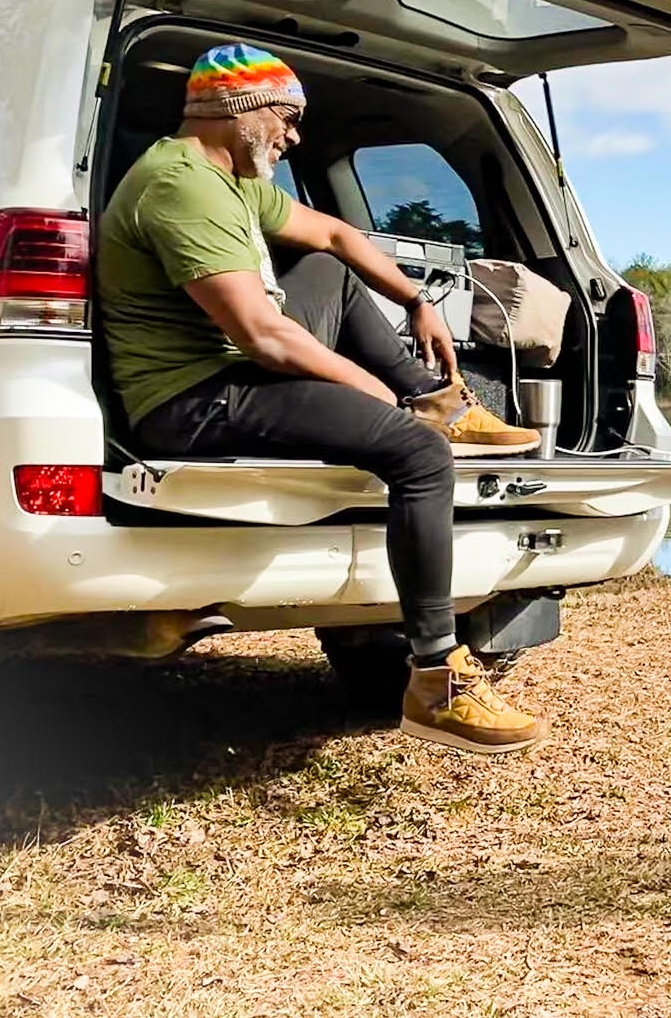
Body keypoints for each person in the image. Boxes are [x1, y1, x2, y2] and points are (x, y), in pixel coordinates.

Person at [97, 42, 545, 755]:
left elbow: (335, 233)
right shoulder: (179, 184)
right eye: (288, 117)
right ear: (239, 111)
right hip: (191, 399)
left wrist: (416, 301)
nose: (294, 136)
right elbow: (262, 336)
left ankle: (443, 401)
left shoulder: (230, 179)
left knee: (325, 272)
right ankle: (436, 680)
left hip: (229, 375)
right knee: (420, 455)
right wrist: (377, 398)